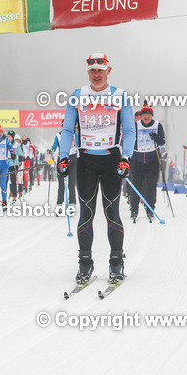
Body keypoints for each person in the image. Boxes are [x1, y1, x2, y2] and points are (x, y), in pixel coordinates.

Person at [58, 54, 135, 285]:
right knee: (86, 213)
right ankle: (85, 263)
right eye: (92, 71)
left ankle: (116, 262)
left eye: (101, 70)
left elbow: (130, 131)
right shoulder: (77, 96)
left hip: (112, 160)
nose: (97, 74)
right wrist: (63, 157)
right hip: (86, 161)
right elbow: (67, 130)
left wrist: (126, 158)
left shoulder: (120, 96)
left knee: (112, 212)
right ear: (88, 72)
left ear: (108, 70)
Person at [128, 103, 165, 222]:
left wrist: (157, 139)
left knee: (151, 186)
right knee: (136, 186)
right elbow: (129, 139)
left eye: (149, 114)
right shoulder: (136, 125)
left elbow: (162, 141)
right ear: (142, 115)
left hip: (152, 160)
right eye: (144, 114)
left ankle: (150, 210)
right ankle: (134, 210)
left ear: (152, 115)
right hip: (137, 160)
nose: (146, 116)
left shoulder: (157, 125)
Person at [53, 129, 78, 212]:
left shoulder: (75, 134)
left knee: (71, 183)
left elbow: (78, 145)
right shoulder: (58, 135)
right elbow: (54, 146)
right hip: (62, 160)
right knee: (61, 184)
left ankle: (72, 203)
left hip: (73, 159)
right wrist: (51, 151)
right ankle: (59, 203)